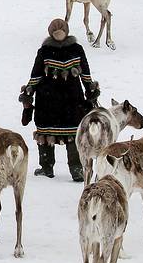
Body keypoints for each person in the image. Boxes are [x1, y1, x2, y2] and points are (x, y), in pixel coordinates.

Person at [19, 18, 100, 181]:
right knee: (69, 134)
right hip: (67, 101)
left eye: (58, 32)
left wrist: (29, 93)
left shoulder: (48, 51)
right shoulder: (72, 49)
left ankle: (51, 167)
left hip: (53, 101)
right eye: (57, 32)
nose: (58, 34)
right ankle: (72, 169)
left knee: (51, 134)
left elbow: (36, 75)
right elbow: (85, 74)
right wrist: (90, 92)